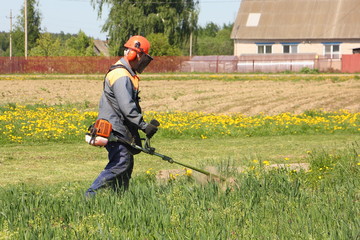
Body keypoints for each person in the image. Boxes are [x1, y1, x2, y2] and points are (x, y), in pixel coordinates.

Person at [85, 35, 158, 196]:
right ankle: (90, 196)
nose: (143, 62)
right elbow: (127, 107)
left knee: (126, 163)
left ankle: (118, 199)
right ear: (136, 54)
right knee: (121, 162)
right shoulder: (121, 76)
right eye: (143, 57)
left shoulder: (124, 72)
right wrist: (144, 126)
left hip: (118, 127)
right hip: (114, 128)